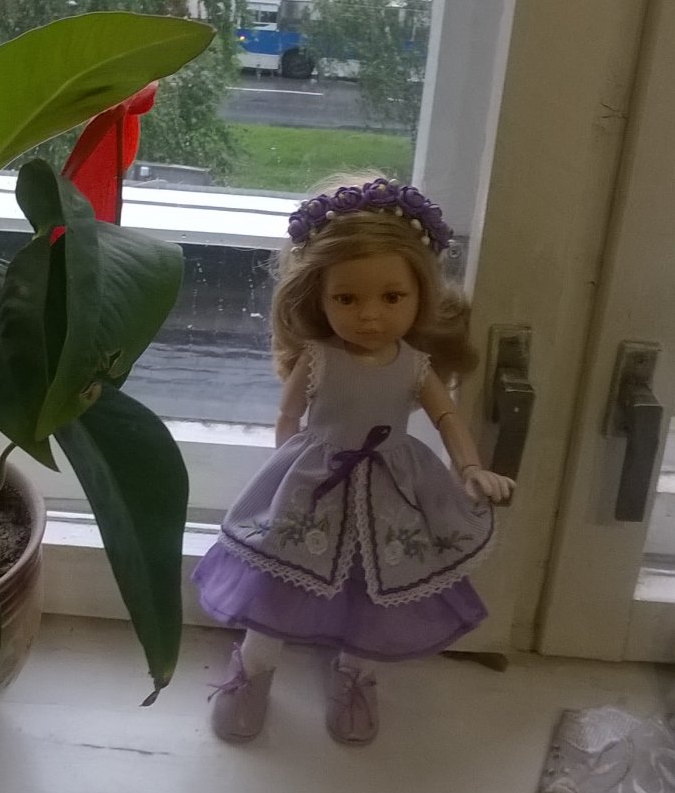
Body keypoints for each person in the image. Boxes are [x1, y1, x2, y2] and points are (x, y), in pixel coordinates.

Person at [192, 175, 514, 745]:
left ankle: (356, 674)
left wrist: (469, 468)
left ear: (421, 295)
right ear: (317, 298)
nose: (370, 316)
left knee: (377, 586)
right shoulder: (318, 359)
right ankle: (255, 668)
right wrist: (286, 471)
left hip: (393, 488)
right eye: (347, 298)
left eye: (392, 297)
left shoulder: (414, 366)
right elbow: (288, 419)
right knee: (277, 581)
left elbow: (448, 419)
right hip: (313, 482)